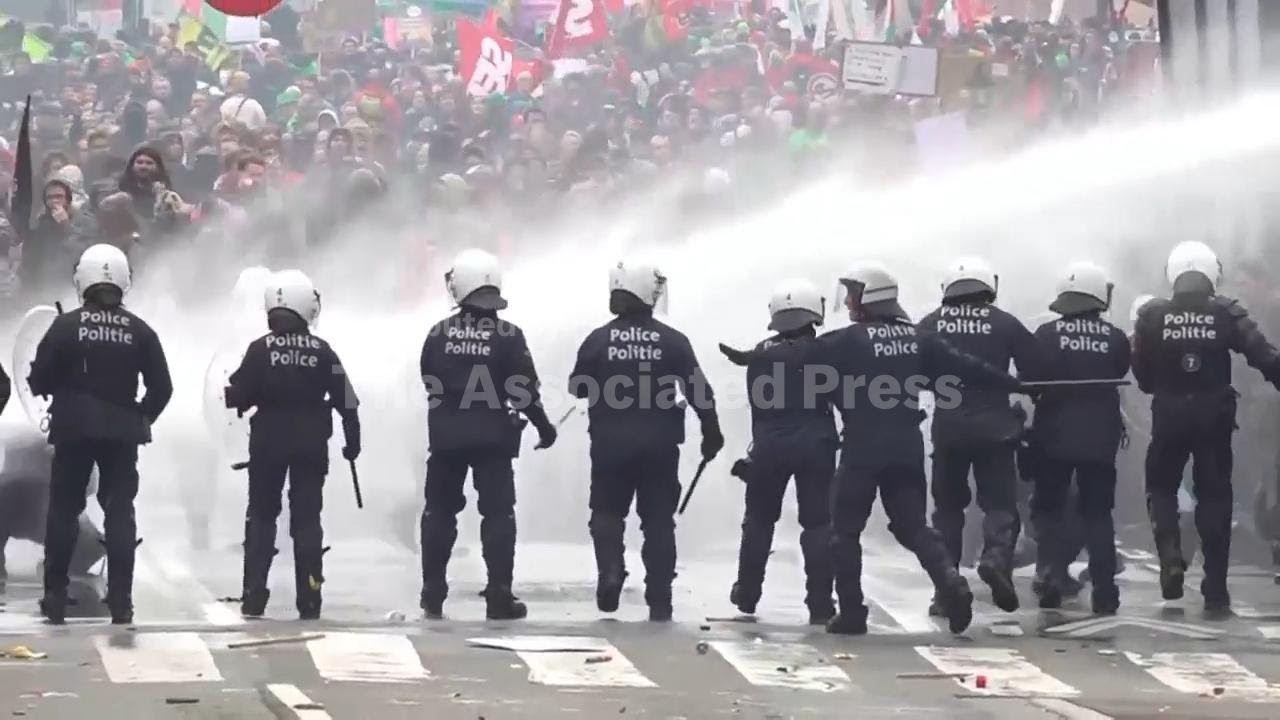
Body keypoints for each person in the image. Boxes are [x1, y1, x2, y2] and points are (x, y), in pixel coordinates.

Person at [817, 263, 1027, 635]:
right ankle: (951, 582)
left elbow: (800, 357)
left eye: (853, 294)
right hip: (905, 448)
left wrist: (753, 358)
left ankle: (851, 612)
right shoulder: (918, 339)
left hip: (862, 450)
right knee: (912, 526)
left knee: (844, 531)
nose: (848, 302)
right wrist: (1016, 385)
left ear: (870, 297)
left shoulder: (847, 340)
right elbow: (969, 367)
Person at [568, 260, 724, 622]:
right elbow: (699, 390)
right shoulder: (672, 341)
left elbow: (576, 385)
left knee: (607, 513)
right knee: (657, 520)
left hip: (609, 446)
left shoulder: (598, 339)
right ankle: (660, 597)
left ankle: (610, 569)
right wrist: (711, 432)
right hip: (659, 447)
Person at [28, 244, 173, 624]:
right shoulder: (141, 330)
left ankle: (55, 596)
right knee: (119, 511)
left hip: (73, 428)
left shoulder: (64, 326)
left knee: (63, 510)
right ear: (124, 281)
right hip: (122, 432)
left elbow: (38, 379)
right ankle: (122, 602)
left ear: (82, 280)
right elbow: (163, 387)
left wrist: (59, 386)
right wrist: (141, 418)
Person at [1132, 241, 1280, 612]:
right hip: (1215, 417)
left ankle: (1170, 557)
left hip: (1169, 417)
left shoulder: (1153, 316)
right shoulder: (1226, 313)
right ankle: (1215, 590)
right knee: (1215, 496)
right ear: (1212, 274)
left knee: (1162, 486)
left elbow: (1144, 378)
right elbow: (1264, 356)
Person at [418, 249, 557, 621]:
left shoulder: (439, 333)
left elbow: (428, 377)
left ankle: (432, 591)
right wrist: (544, 427)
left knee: (439, 513)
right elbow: (524, 391)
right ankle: (499, 595)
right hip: (493, 442)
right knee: (497, 515)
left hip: (446, 440)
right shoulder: (510, 336)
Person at [224, 269, 361, 620]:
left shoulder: (259, 349)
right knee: (307, 521)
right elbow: (347, 400)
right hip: (311, 443)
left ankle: (254, 595)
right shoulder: (322, 350)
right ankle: (310, 597)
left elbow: (237, 394)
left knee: (262, 517)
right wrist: (352, 441)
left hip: (268, 441)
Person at [918, 256, 1043, 614]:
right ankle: (995, 558)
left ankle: (946, 589)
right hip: (996, 430)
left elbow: (910, 369)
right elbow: (1035, 369)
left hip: (948, 430)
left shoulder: (930, 323)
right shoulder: (1004, 323)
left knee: (947, 509)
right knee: (1000, 504)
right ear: (989, 286)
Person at [718, 278, 836, 624]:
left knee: (758, 519)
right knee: (817, 523)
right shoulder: (826, 351)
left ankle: (747, 592)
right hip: (817, 445)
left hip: (769, 446)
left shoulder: (760, 353)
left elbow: (757, 403)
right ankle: (820, 603)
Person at [1025, 262, 1130, 613]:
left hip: (1053, 435)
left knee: (1051, 509)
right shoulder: (1115, 337)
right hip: (1101, 437)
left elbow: (1032, 380)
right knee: (1098, 513)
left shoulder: (1045, 334)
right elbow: (1118, 371)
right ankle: (1104, 591)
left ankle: (1051, 579)